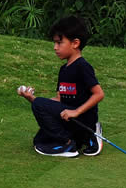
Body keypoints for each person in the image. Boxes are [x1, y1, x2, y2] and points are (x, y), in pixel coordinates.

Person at [18, 15, 104, 157]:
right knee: (39, 141)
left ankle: (69, 143)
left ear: (75, 43)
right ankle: (79, 139)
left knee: (39, 105)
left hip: (82, 119)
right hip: (68, 118)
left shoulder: (83, 67)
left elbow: (99, 94)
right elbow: (59, 100)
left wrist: (76, 112)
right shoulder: (63, 70)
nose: (55, 47)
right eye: (55, 43)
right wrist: (31, 98)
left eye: (59, 43)